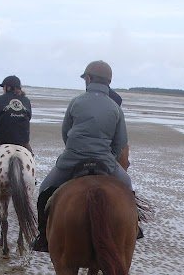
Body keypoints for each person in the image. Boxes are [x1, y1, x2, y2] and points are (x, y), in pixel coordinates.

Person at [31, 60, 134, 253]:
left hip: (72, 160)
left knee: (44, 189)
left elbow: (65, 132)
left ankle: (43, 236)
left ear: (88, 78)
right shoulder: (115, 108)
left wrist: (74, 151)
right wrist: (109, 157)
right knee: (128, 187)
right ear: (108, 81)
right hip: (105, 161)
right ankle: (135, 229)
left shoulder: (76, 102)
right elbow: (120, 142)